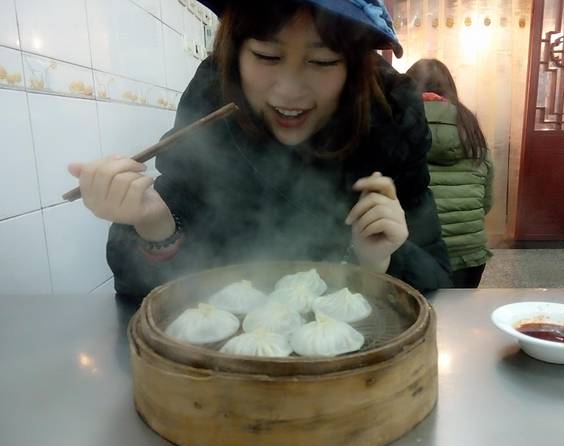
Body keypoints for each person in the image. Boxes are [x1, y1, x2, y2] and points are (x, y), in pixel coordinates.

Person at [67, 0, 452, 300]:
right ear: (235, 52)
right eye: (267, 56)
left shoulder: (390, 120)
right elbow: (147, 296)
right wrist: (154, 226)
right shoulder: (210, 103)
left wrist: (380, 261)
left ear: (353, 67)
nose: (289, 91)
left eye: (322, 61)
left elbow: (437, 281)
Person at [406, 59, 493, 288]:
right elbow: (486, 202)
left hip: (416, 249)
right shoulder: (470, 126)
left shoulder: (399, 122)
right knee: (460, 309)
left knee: (417, 308)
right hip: (469, 252)